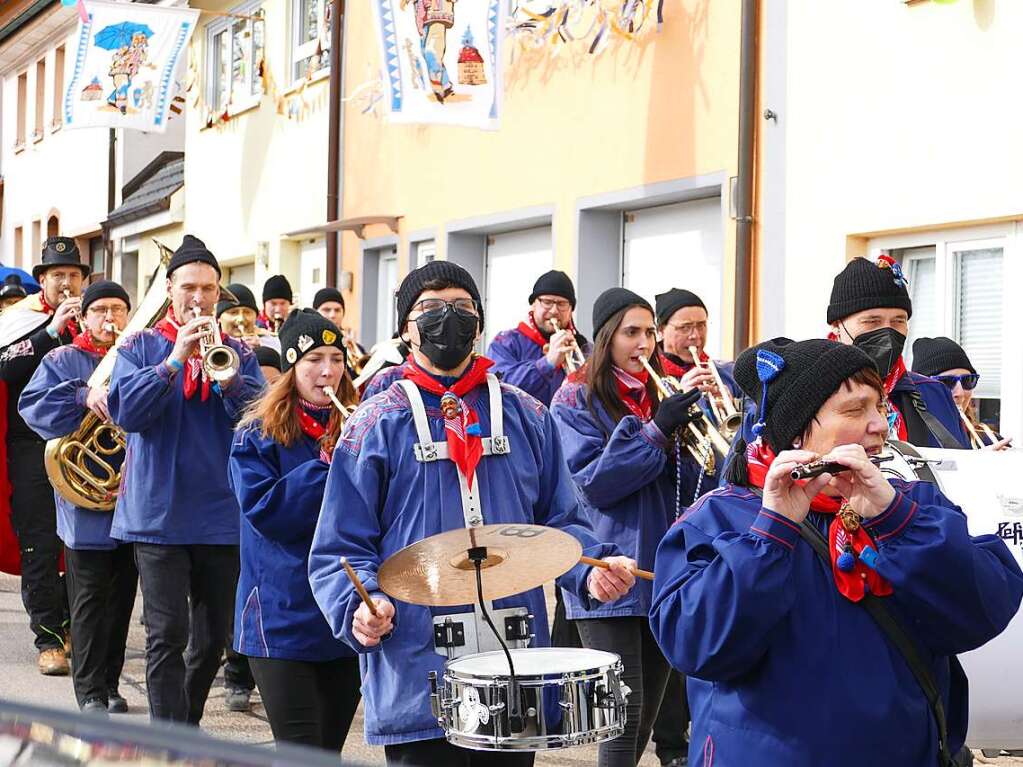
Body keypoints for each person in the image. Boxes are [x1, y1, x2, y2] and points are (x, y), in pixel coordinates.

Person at [309, 260, 637, 767]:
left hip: (515, 663)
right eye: (431, 308)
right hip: (416, 660)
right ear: (405, 328)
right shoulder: (374, 425)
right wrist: (359, 604)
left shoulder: (528, 414)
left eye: (462, 308)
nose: (449, 318)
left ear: (479, 324)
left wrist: (591, 571)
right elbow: (339, 548)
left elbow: (562, 521)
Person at [650, 337, 1023, 767]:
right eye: (854, 410)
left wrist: (896, 520)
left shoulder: (911, 504)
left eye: (879, 407)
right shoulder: (717, 518)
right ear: (796, 429)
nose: (880, 425)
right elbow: (697, 648)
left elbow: (984, 610)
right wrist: (772, 533)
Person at [107, 235, 264, 724]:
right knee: (166, 635)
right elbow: (126, 412)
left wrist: (231, 380)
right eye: (189, 287)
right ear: (169, 289)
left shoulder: (239, 350)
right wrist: (174, 360)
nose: (199, 298)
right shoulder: (139, 344)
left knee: (213, 638)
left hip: (219, 514)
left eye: (209, 289)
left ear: (220, 293)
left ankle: (185, 726)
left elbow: (260, 420)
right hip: (158, 514)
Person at [550, 287, 702, 767]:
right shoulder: (575, 397)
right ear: (606, 338)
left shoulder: (659, 392)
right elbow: (593, 484)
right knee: (621, 716)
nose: (644, 344)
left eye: (650, 332)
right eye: (630, 332)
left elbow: (691, 479)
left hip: (661, 569)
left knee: (643, 718)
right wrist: (657, 431)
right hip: (607, 567)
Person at [230, 309, 361, 751]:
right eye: (313, 359)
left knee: (328, 751)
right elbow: (266, 512)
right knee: (300, 751)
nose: (328, 371)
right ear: (291, 366)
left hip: (344, 610)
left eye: (336, 358)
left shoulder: (362, 426)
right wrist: (325, 467)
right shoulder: (256, 434)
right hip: (280, 612)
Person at [20, 280, 137, 714]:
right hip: (85, 499)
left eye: (119, 309)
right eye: (101, 309)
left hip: (131, 497)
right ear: (84, 317)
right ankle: (88, 690)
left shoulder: (136, 355)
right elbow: (31, 407)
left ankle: (110, 683)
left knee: (123, 597)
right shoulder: (63, 358)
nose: (111, 318)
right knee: (88, 599)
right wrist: (81, 395)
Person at [651, 286, 740, 767]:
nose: (694, 335)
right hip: (671, 512)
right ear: (663, 331)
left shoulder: (720, 373)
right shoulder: (653, 378)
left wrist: (719, 392)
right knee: (676, 630)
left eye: (701, 324)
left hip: (713, 508)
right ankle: (670, 744)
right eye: (683, 326)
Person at [0, 235, 88, 675]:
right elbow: (6, 369)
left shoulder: (95, 318)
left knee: (81, 542)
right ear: (43, 281)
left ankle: (73, 624)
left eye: (74, 275)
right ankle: (48, 637)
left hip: (81, 447)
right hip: (30, 446)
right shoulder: (20, 320)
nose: (67, 283)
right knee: (40, 541)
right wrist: (53, 331)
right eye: (59, 276)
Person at [828, 255, 968, 449]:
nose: (887, 332)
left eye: (898, 321)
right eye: (872, 321)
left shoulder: (934, 394)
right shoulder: (812, 394)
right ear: (837, 325)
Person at [487, 270, 589, 408]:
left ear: (571, 309)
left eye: (562, 303)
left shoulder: (585, 349)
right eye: (547, 302)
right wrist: (547, 363)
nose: (554, 310)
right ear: (533, 304)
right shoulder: (505, 342)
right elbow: (499, 388)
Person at [911, 336, 1010, 450]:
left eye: (968, 380)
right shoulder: (906, 440)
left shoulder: (989, 440)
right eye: (946, 382)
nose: (960, 393)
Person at [217, 283, 262, 351]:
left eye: (247, 312)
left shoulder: (272, 343)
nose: (241, 319)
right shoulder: (211, 344)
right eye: (233, 312)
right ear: (219, 318)